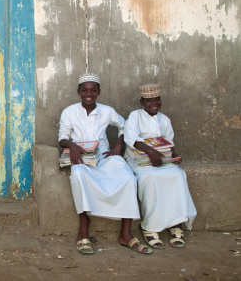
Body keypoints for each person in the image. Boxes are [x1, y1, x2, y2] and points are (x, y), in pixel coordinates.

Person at [58, 73, 152, 255]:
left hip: (104, 154)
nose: (89, 94)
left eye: (93, 90)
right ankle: (84, 226)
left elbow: (125, 126)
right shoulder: (69, 112)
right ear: (78, 91)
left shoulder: (107, 110)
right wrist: (72, 145)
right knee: (78, 175)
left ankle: (125, 233)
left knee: (128, 178)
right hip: (82, 156)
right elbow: (62, 137)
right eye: (84, 90)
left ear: (99, 91)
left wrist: (118, 146)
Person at [124, 84, 197, 249]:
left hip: (162, 160)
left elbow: (169, 143)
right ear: (142, 101)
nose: (154, 103)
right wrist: (150, 151)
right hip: (139, 161)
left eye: (157, 99)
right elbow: (131, 138)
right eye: (149, 100)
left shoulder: (164, 119)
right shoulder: (135, 116)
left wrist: (174, 156)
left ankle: (176, 224)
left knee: (178, 175)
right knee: (151, 178)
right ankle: (150, 226)